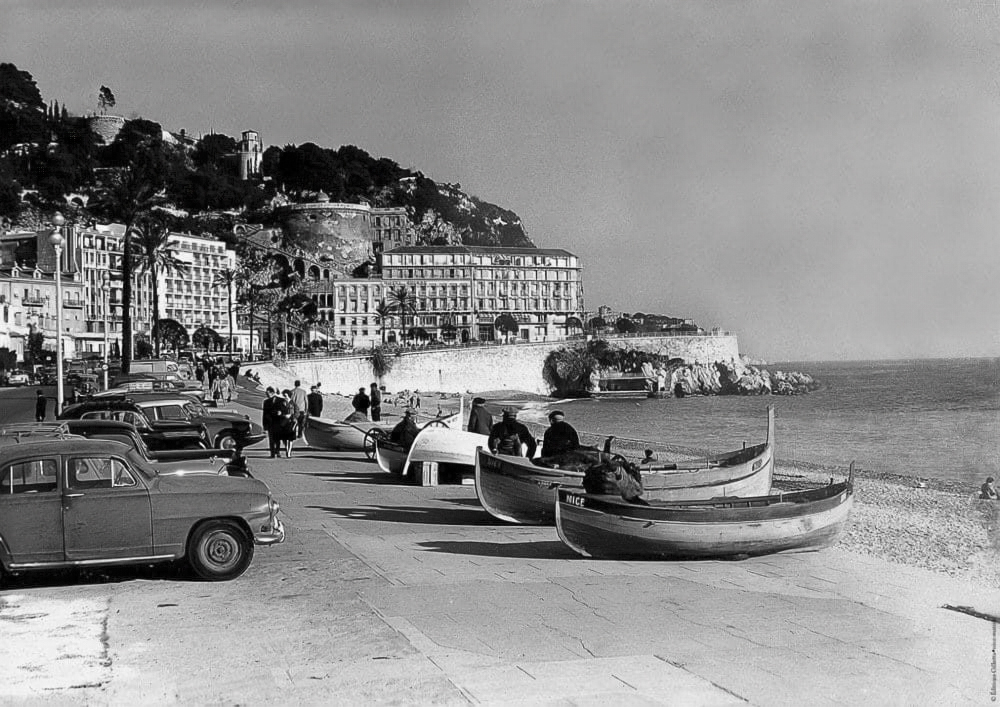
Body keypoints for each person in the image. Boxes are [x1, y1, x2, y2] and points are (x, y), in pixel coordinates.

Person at [261, 387, 282, 458]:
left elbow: (285, 410)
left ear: (272, 393)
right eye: (266, 393)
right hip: (269, 422)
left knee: (278, 438)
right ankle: (272, 453)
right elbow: (264, 413)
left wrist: (281, 412)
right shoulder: (266, 402)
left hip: (278, 421)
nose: (266, 395)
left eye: (267, 393)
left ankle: (278, 451)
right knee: (271, 439)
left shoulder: (280, 400)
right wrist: (264, 425)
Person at [279, 389, 297, 457]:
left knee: (290, 438)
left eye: (286, 395)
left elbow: (297, 412)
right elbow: (279, 411)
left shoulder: (293, 403)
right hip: (283, 422)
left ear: (289, 396)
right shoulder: (281, 403)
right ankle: (287, 449)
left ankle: (289, 452)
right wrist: (281, 415)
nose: (285, 397)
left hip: (291, 422)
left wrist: (292, 416)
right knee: (285, 438)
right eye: (284, 396)